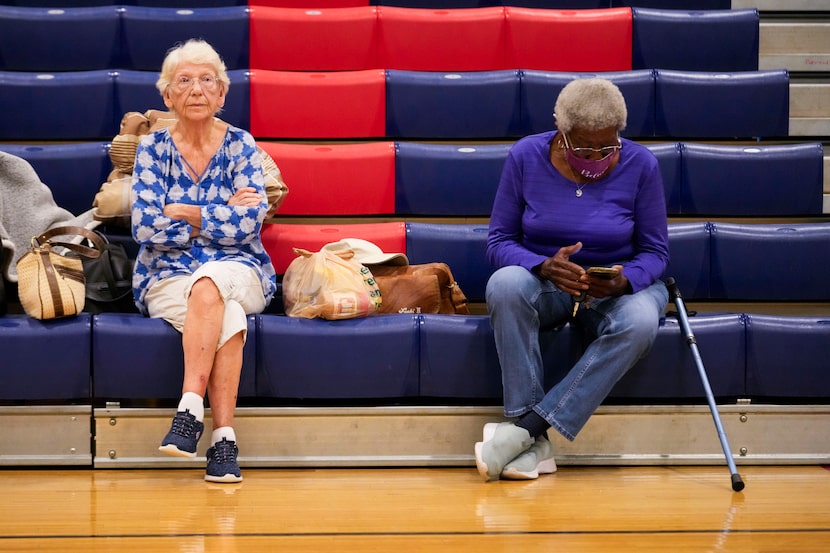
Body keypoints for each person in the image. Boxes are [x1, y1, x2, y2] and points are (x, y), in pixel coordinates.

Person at [476, 78, 669, 482]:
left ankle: (527, 430)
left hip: (613, 290)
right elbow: (498, 242)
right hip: (549, 286)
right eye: (584, 146)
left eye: (607, 145)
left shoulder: (641, 165)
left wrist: (625, 279)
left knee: (641, 323)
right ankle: (531, 436)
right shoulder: (527, 155)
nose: (596, 155)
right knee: (505, 284)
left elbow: (655, 253)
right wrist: (541, 266)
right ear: (561, 132)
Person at [131, 39, 277, 483]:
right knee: (224, 309)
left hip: (243, 268)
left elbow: (250, 223)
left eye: (207, 80)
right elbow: (144, 228)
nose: (196, 89)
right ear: (167, 95)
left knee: (213, 280)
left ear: (222, 94)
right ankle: (223, 440)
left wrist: (187, 213)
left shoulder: (241, 145)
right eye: (184, 81)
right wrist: (219, 213)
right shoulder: (151, 149)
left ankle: (189, 409)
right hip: (165, 275)